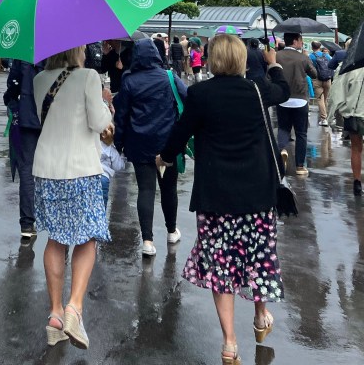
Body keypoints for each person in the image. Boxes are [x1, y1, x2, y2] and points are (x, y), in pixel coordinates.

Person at [158, 32, 290, 365]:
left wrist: (165, 157)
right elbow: (285, 91)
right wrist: (273, 65)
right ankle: (260, 316)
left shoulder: (200, 94)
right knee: (258, 257)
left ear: (213, 59)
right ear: (242, 59)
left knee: (221, 265)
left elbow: (179, 134)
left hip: (216, 195)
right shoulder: (257, 90)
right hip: (257, 194)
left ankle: (230, 343)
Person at [32, 45, 112, 349]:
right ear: (77, 47)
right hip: (80, 169)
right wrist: (105, 102)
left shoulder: (40, 79)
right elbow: (99, 124)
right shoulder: (88, 76)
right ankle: (74, 308)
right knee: (87, 237)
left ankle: (55, 314)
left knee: (55, 238)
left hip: (46, 168)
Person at [113, 38, 186, 256]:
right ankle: (171, 231)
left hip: (139, 144)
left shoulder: (129, 80)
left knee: (145, 190)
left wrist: (119, 143)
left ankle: (147, 241)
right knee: (169, 188)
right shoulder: (169, 77)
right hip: (167, 144)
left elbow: (122, 116)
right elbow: (188, 99)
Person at [3, 59, 42, 240]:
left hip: (27, 116)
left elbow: (13, 84)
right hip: (52, 118)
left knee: (26, 169)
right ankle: (58, 223)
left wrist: (9, 98)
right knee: (57, 169)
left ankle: (27, 222)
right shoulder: (57, 52)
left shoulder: (24, 54)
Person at [276, 32, 317, 177]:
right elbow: (314, 74)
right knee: (301, 133)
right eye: (300, 40)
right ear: (295, 41)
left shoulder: (277, 56)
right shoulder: (303, 57)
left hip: (282, 98)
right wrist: (306, 59)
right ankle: (300, 166)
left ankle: (282, 150)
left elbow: (270, 74)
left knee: (283, 128)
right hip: (300, 99)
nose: (302, 43)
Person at [327, 59, 364, 196]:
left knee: (356, 148)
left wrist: (331, 116)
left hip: (353, 114)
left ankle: (357, 182)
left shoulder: (347, 66)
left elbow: (336, 93)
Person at [99, 123, 125, 208]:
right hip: (104, 178)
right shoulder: (111, 150)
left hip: (89, 176)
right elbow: (118, 166)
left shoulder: (91, 145)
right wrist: (122, 156)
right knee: (102, 203)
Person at [309, 41, 333, 126]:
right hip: (327, 79)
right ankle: (326, 117)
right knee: (325, 99)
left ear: (312, 47)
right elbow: (332, 65)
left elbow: (309, 68)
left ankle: (324, 119)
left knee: (320, 99)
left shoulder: (311, 56)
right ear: (320, 47)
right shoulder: (327, 55)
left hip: (317, 80)